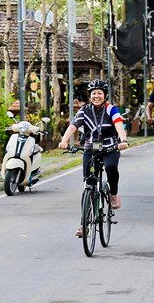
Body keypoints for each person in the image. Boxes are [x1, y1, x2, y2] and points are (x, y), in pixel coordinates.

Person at [58, 79, 128, 238]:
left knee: (110, 168)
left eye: (99, 93)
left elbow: (118, 124)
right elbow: (73, 125)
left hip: (110, 147)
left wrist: (122, 140)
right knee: (88, 185)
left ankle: (113, 194)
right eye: (93, 93)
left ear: (105, 95)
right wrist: (64, 141)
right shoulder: (84, 110)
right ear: (90, 96)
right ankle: (84, 224)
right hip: (90, 147)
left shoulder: (111, 109)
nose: (96, 96)